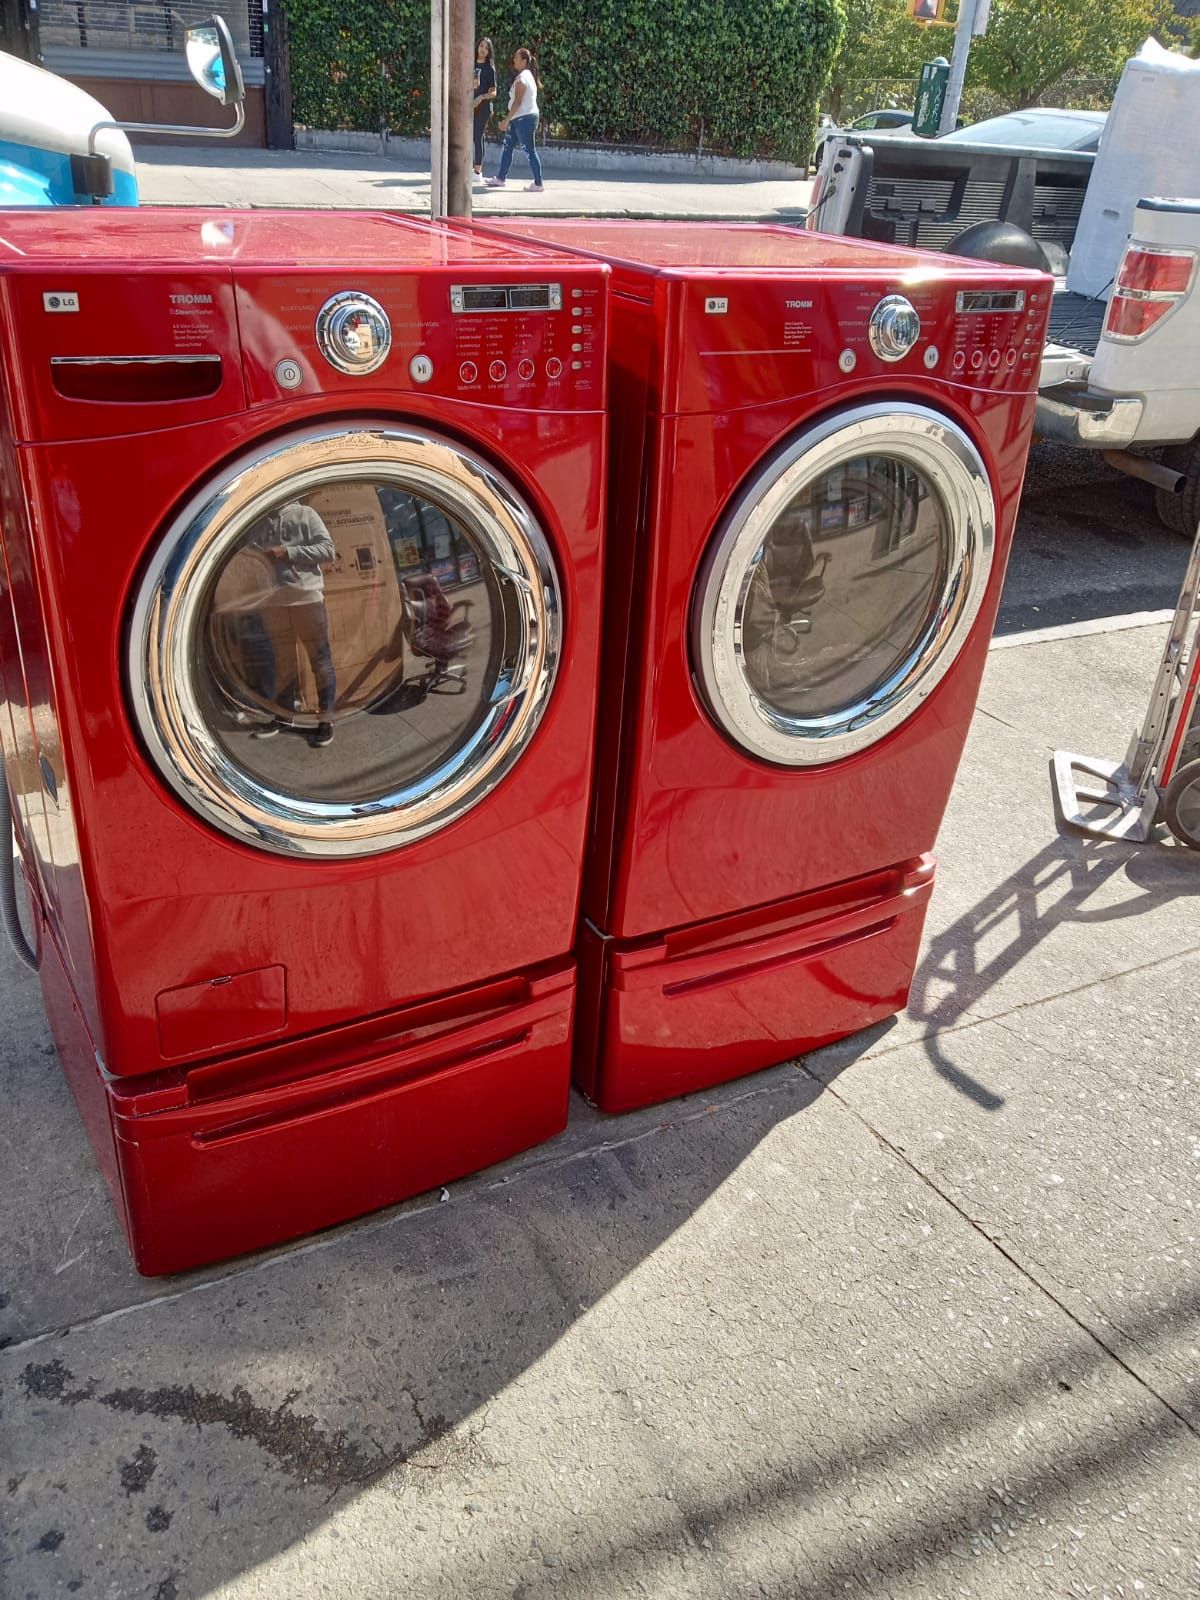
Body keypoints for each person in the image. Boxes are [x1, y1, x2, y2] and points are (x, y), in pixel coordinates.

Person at [246, 499, 338, 747]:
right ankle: (285, 716)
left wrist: (287, 552)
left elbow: (328, 550)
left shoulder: (305, 513)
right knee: (283, 663)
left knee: (319, 660)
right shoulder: (261, 522)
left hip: (306, 598)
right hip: (274, 603)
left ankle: (326, 721)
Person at [486, 47, 543, 192]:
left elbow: (517, 102)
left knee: (529, 150)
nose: (514, 60)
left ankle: (538, 183)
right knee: (508, 146)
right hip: (520, 119)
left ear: (524, 61)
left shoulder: (523, 78)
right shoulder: (525, 76)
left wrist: (506, 120)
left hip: (524, 119)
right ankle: (500, 178)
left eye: (517, 58)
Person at [472, 37, 497, 177]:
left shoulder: (489, 69)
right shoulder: (471, 64)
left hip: (483, 108)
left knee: (477, 136)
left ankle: (477, 171)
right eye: (481, 46)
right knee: (469, 136)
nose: (483, 49)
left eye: (486, 48)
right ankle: (470, 167)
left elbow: (494, 92)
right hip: (469, 106)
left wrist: (481, 98)